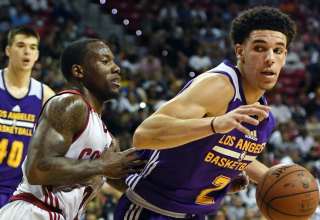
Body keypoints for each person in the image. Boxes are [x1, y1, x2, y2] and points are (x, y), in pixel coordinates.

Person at [115, 6, 297, 219]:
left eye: (278, 50)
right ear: (240, 52)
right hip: (151, 210)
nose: (270, 58)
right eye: (259, 48)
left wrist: (274, 180)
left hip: (195, 214)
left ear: (285, 57)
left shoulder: (265, 116)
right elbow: (144, 135)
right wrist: (214, 124)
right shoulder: (219, 86)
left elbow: (227, 151)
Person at [0, 38, 144, 219]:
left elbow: (121, 181)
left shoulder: (107, 137)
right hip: (33, 211)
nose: (116, 68)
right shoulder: (69, 103)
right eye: (105, 61)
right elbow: (37, 169)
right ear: (78, 71)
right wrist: (102, 165)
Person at [0, 26, 55, 208]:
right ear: (8, 50)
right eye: (21, 45)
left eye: (32, 47)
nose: (27, 51)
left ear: (37, 54)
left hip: (18, 190)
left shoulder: (45, 95)